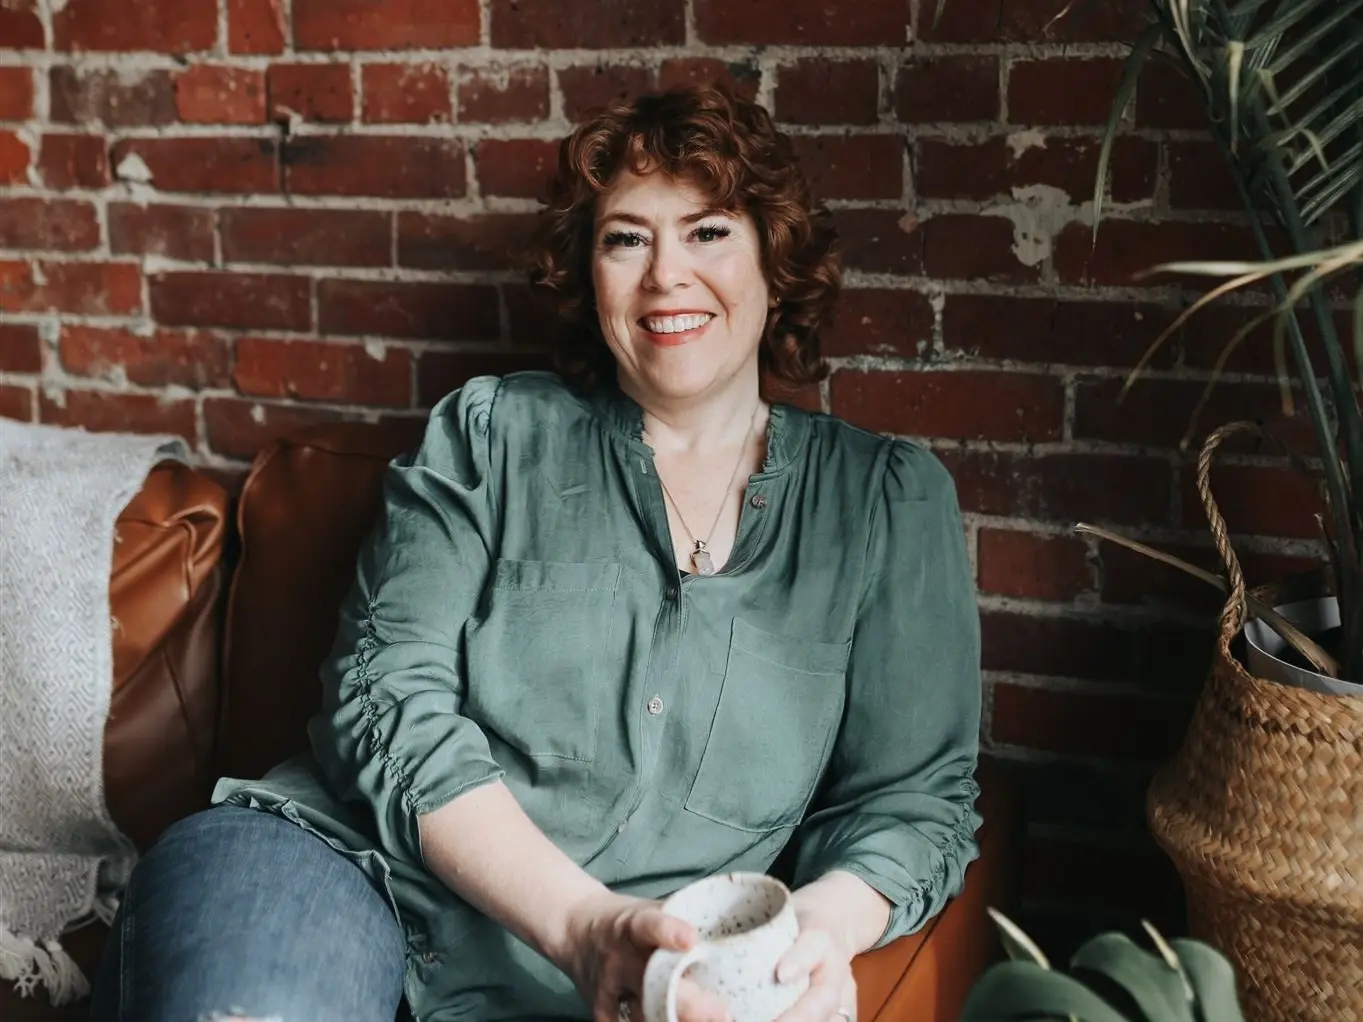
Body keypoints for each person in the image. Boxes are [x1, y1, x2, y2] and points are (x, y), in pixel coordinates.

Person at [89, 84, 982, 1022]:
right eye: (626, 239)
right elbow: (382, 696)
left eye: (708, 232)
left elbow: (913, 798)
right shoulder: (490, 435)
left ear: (774, 257)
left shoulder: (881, 504)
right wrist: (582, 926)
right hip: (338, 868)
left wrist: (813, 938)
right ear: (591, 274)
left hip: (630, 980)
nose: (665, 275)